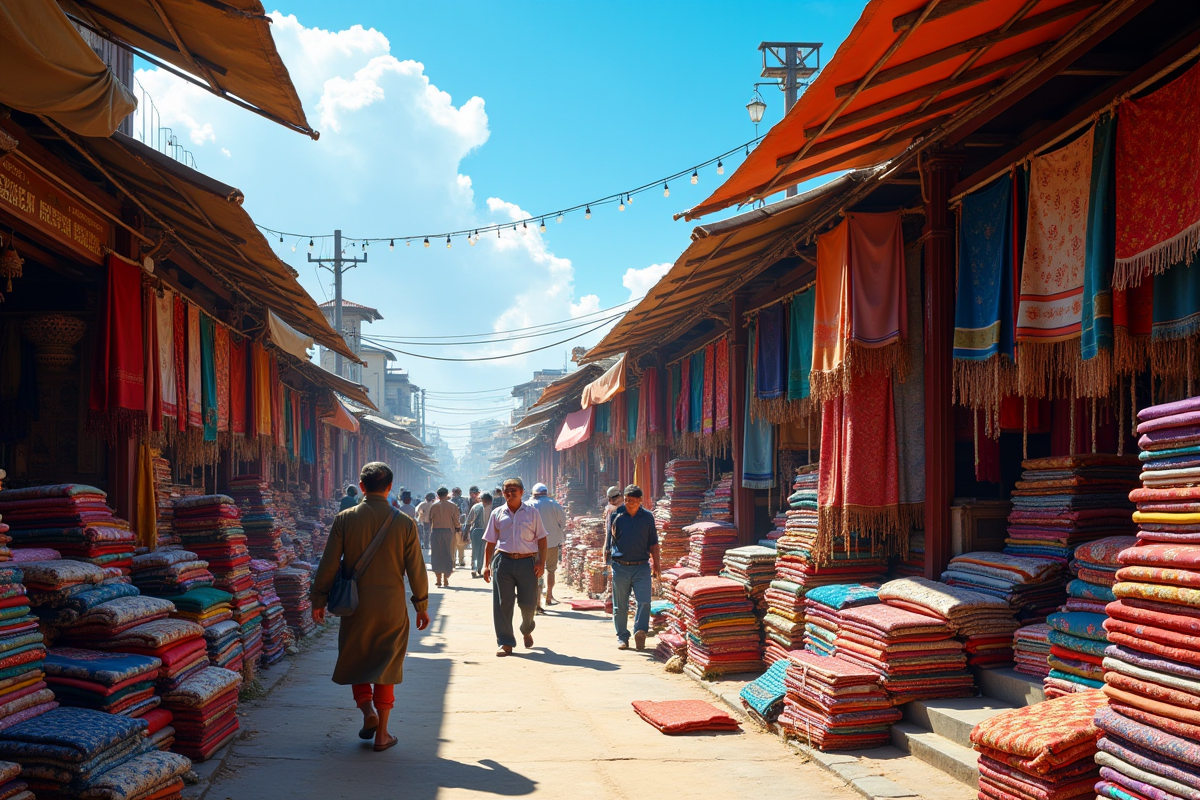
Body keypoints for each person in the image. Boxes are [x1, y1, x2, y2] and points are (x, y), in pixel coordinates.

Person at [310, 462, 429, 753]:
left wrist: (319, 600)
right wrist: (421, 605)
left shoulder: (345, 519)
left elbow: (328, 565)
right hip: (391, 607)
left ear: (361, 487)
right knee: (386, 666)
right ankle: (383, 734)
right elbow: (416, 569)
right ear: (390, 487)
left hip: (355, 606)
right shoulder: (404, 523)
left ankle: (368, 713)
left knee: (359, 659)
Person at [483, 477, 547, 656]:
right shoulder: (497, 513)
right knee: (503, 603)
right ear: (502, 493)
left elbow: (542, 538)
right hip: (503, 562)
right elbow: (490, 541)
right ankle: (505, 642)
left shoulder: (532, 513)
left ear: (522, 492)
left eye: (513, 490)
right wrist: (486, 566)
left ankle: (526, 628)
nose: (509, 493)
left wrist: (541, 562)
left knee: (528, 603)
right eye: (506, 490)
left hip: (527, 563)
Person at [606, 484, 661, 651]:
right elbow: (610, 539)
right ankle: (622, 637)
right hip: (620, 566)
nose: (628, 504)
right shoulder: (617, 514)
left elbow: (653, 543)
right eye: (627, 500)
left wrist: (657, 565)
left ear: (640, 500)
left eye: (632, 501)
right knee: (620, 605)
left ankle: (640, 632)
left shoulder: (647, 517)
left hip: (641, 566)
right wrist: (608, 561)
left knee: (644, 602)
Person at [529, 483, 567, 610]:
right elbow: (563, 522)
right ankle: (549, 596)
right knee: (551, 570)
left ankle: (537, 600)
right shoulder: (554, 504)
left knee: (536, 571)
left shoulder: (529, 504)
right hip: (551, 543)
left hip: (533, 545)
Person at [428, 487, 462, 588]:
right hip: (448, 532)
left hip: (436, 532)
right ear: (447, 494)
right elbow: (456, 520)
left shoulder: (434, 506)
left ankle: (438, 579)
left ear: (437, 495)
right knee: (447, 553)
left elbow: (429, 520)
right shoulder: (453, 506)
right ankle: (446, 579)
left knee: (437, 554)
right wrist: (458, 528)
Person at [463, 492, 493, 578]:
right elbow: (469, 521)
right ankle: (476, 568)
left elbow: (468, 522)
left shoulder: (491, 508)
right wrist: (465, 532)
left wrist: (466, 532)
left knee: (480, 551)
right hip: (479, 531)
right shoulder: (477, 507)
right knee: (478, 550)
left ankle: (478, 568)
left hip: (484, 531)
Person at [450, 488, 470, 567]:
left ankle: (454, 561)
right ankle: (460, 560)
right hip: (460, 525)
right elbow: (466, 512)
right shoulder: (464, 500)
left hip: (454, 525)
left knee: (454, 544)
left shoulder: (450, 502)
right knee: (460, 544)